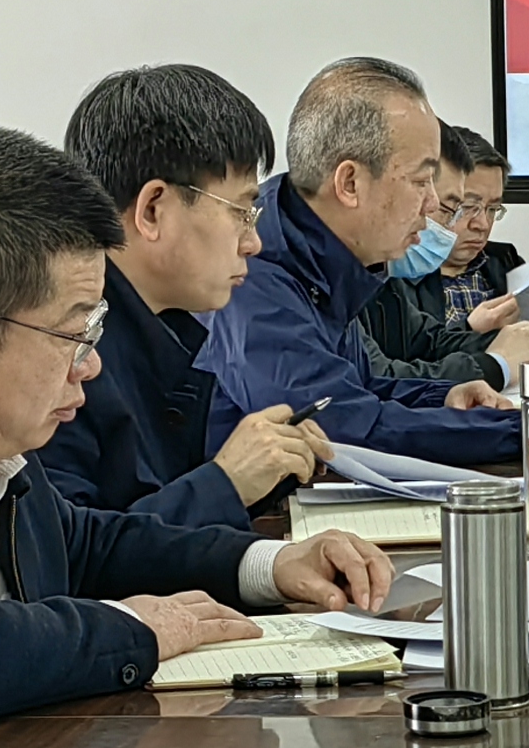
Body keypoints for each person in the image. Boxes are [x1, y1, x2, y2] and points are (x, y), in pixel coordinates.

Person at [0, 127, 394, 725]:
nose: (91, 365)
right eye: (75, 333)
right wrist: (137, 629)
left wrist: (268, 563)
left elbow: (80, 544)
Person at [200, 58, 529, 465]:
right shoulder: (258, 271)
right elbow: (342, 426)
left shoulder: (325, 255)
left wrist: (443, 397)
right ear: (350, 183)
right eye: (421, 181)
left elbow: (361, 386)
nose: (432, 205)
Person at [44, 64, 328, 527]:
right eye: (241, 211)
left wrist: (261, 477)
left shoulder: (160, 329)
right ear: (153, 210)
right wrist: (227, 483)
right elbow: (71, 549)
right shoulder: (60, 348)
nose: (253, 242)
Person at [363, 125, 528, 382]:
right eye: (458, 208)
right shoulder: (334, 275)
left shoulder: (378, 275)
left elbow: (427, 341)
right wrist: (496, 365)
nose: (482, 224)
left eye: (492, 209)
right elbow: (379, 379)